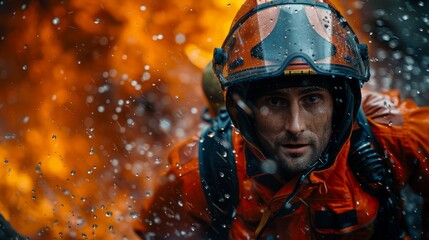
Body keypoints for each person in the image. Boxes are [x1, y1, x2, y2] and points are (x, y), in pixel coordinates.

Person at [134, 0, 429, 239]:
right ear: (245, 110)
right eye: (275, 102)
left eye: (312, 99)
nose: (295, 126)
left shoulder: (391, 134)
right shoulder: (204, 173)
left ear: (338, 105)